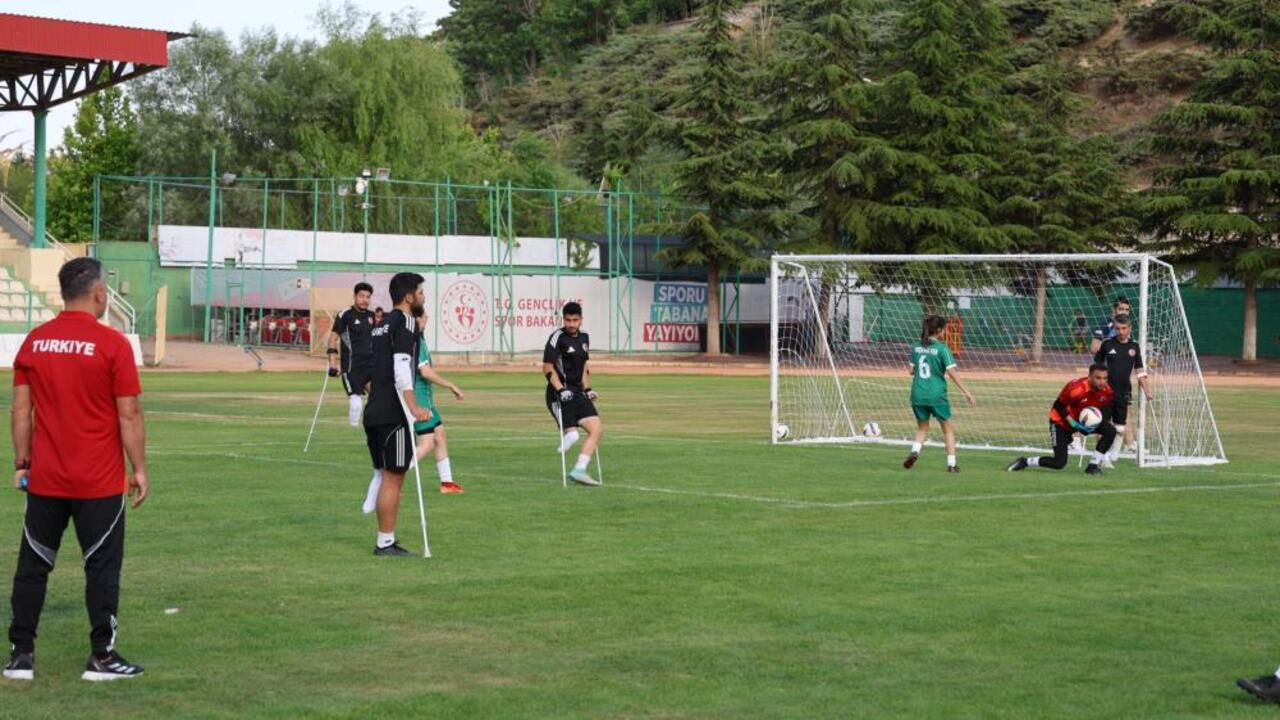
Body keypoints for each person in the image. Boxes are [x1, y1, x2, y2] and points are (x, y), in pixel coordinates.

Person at [4, 258, 149, 682]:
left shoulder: (35, 341)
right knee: (101, 568)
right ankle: (102, 658)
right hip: (99, 482)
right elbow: (129, 414)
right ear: (99, 293)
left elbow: (19, 411)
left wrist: (21, 463)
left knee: (33, 566)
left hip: (46, 479)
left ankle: (20, 656)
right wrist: (139, 469)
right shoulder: (112, 344)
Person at [361, 305, 465, 512]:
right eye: (424, 316)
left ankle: (447, 482)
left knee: (440, 435)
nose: (426, 319)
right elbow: (425, 372)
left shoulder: (420, 339)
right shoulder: (415, 340)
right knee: (427, 442)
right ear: (417, 320)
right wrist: (451, 385)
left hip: (427, 401)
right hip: (419, 402)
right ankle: (395, 475)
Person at [362, 272, 434, 556]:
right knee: (395, 477)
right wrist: (414, 406)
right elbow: (402, 369)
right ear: (408, 296)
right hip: (394, 412)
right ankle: (385, 542)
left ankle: (385, 539)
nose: (423, 297)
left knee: (385, 474)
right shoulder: (404, 322)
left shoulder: (381, 325)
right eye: (420, 292)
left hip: (375, 410)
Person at [1007, 364, 1117, 476]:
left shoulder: (1107, 391)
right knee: (1059, 463)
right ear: (1089, 377)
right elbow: (1058, 405)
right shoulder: (1076, 388)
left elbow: (1102, 409)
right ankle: (1025, 462)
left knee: (1110, 431)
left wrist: (1093, 424)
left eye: (1105, 378)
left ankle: (1093, 466)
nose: (1102, 382)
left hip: (1080, 421)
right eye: (1098, 378)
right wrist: (1073, 423)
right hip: (1060, 422)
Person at [903, 315, 976, 473]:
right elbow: (952, 373)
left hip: (917, 394)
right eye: (944, 329)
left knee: (922, 428)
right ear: (939, 331)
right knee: (948, 429)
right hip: (936, 395)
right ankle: (951, 464)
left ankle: (915, 451)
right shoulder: (943, 349)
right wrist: (967, 392)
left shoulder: (916, 347)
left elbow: (911, 370)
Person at [543, 302, 604, 486]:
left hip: (579, 393)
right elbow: (547, 367)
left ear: (581, 320)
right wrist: (561, 390)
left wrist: (588, 389)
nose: (571, 324)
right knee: (574, 435)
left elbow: (584, 367)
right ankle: (569, 436)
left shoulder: (584, 338)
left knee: (597, 429)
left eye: (575, 320)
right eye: (568, 320)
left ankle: (579, 470)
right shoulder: (557, 337)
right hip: (559, 394)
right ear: (564, 319)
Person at [1093, 314, 1153, 466]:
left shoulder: (1134, 347)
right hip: (1105, 392)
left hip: (1124, 392)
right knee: (1103, 426)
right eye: (1118, 328)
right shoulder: (1107, 344)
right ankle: (1102, 456)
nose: (1120, 331)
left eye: (1124, 328)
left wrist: (1147, 390)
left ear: (1129, 328)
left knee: (1120, 427)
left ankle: (1114, 454)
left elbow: (1140, 370)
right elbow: (1096, 368)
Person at [328, 283, 375, 427]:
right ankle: (353, 430)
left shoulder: (372, 316)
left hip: (371, 366)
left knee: (379, 399)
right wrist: (333, 365)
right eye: (361, 296)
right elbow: (333, 339)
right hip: (351, 367)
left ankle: (373, 426)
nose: (365, 300)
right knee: (355, 401)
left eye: (368, 297)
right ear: (355, 296)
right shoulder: (345, 315)